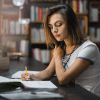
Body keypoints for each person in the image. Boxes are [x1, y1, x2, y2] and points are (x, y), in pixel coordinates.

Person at [21, 4, 100, 92]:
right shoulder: (62, 47)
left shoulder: (89, 48)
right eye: (51, 27)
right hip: (71, 94)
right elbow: (48, 72)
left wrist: (58, 57)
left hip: (87, 96)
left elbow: (63, 79)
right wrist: (33, 76)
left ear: (71, 24)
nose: (54, 30)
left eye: (58, 24)